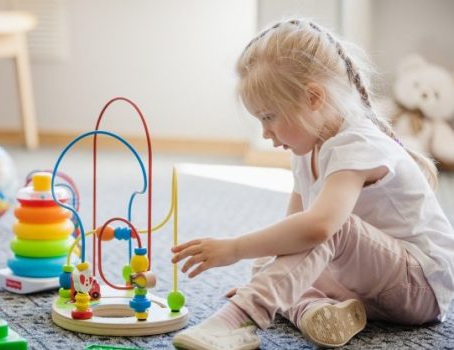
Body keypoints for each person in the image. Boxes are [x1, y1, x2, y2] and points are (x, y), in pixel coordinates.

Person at [171, 19, 454, 350]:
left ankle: (240, 317)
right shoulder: (306, 153)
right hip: (370, 287)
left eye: (268, 116)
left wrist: (234, 248)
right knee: (269, 261)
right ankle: (314, 311)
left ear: (313, 98)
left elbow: (318, 228)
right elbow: (292, 232)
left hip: (419, 287)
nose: (265, 132)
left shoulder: (357, 142)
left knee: (326, 229)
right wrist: (264, 275)